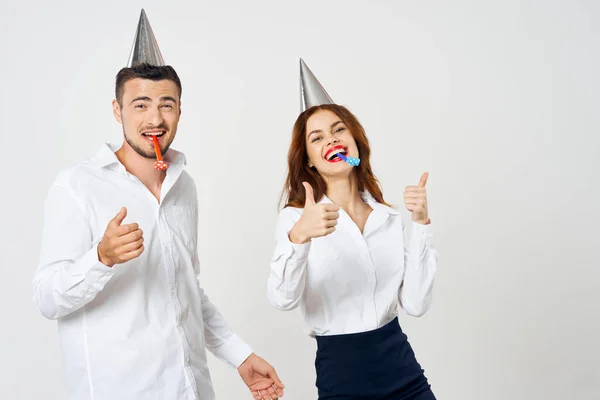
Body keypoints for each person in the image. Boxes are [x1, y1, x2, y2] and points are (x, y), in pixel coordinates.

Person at [33, 10, 283, 400]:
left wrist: (240, 355)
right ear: (117, 111)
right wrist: (100, 258)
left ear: (180, 110)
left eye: (167, 104)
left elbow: (184, 288)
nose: (155, 118)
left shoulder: (185, 188)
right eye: (140, 104)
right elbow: (47, 297)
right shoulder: (77, 186)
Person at [267, 59, 438, 399]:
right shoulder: (296, 219)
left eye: (338, 129)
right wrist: (300, 236)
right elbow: (281, 300)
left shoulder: (387, 217)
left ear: (355, 142)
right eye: (317, 138)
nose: (331, 139)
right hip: (343, 376)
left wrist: (420, 223)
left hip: (402, 370)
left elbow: (415, 305)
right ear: (309, 161)